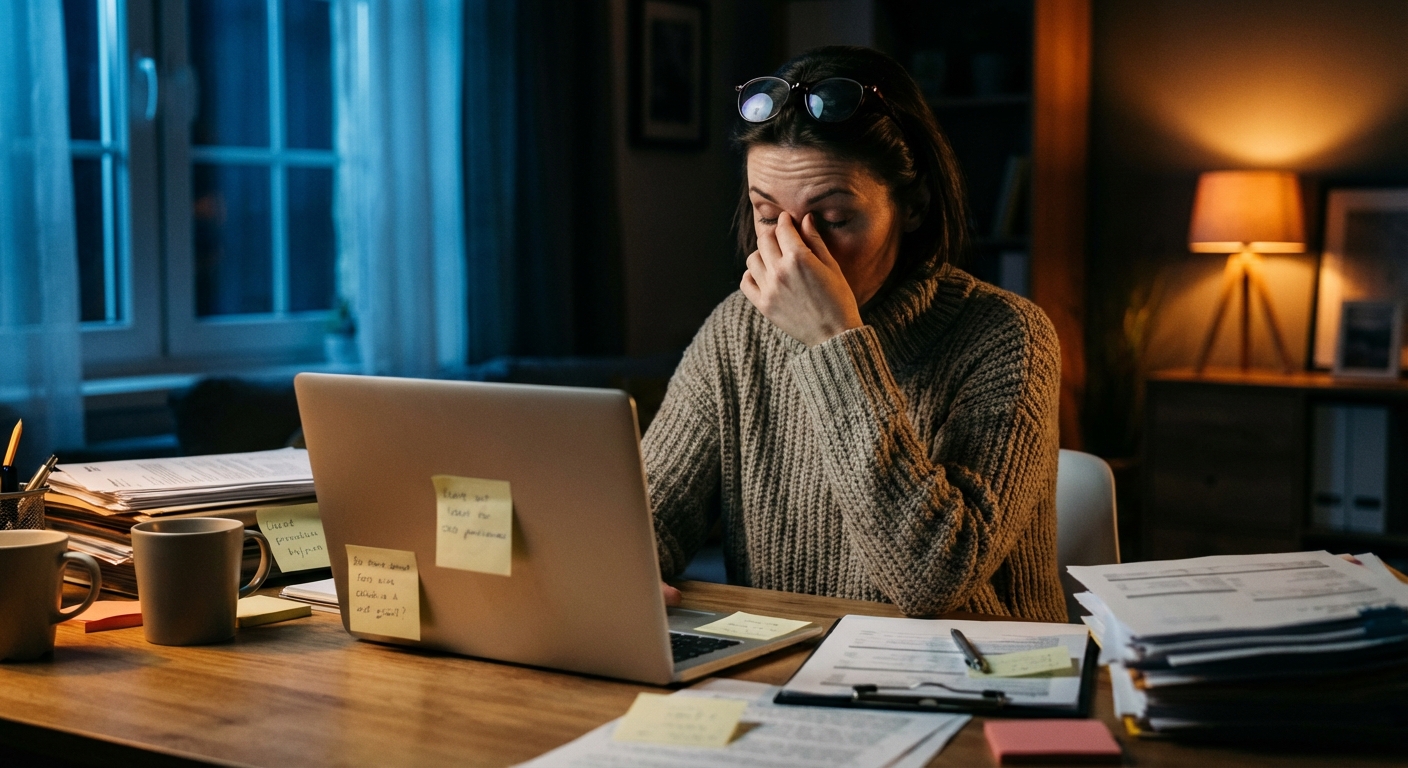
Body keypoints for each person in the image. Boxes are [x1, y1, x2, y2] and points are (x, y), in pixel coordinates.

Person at [645, 46, 1065, 622]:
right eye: (768, 216)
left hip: (975, 678)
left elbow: (932, 580)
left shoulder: (1008, 337)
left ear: (912, 206)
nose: (794, 252)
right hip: (784, 672)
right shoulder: (737, 330)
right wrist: (621, 564)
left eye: (835, 220)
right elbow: (651, 515)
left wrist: (832, 341)